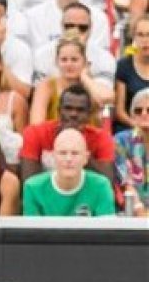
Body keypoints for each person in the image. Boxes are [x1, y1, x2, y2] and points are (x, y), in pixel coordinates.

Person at [23, 127, 117, 217]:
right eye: (62, 153)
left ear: (86, 158)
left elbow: (107, 231)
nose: (68, 159)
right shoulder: (33, 187)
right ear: (53, 157)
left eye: (75, 153)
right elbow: (31, 232)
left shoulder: (101, 186)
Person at [114, 88, 149, 217]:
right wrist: (141, 212)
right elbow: (126, 183)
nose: (144, 113)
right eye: (138, 111)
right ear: (132, 116)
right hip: (132, 211)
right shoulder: (120, 140)